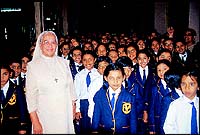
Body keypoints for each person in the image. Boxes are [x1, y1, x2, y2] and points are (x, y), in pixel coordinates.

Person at [25, 31, 77, 134]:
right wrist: (35, 122)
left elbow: (71, 88)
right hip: (45, 116)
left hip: (64, 114)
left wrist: (73, 108)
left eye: (53, 42)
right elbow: (30, 98)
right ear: (40, 45)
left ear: (57, 45)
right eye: (46, 42)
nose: (50, 45)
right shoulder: (33, 66)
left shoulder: (64, 63)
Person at [91, 63, 137, 134]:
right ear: (106, 78)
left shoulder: (129, 97)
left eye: (118, 78)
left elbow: (133, 119)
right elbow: (96, 115)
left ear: (123, 77)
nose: (115, 81)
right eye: (111, 78)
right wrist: (94, 130)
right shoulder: (100, 95)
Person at [163, 68, 199, 134]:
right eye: (183, 84)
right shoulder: (175, 105)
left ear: (198, 86)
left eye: (191, 84)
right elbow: (168, 127)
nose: (187, 88)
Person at [1, 63, 29, 134]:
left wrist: (22, 127)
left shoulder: (16, 89)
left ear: (10, 74)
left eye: (5, 74)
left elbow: (22, 109)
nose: (1, 78)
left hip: (13, 126)